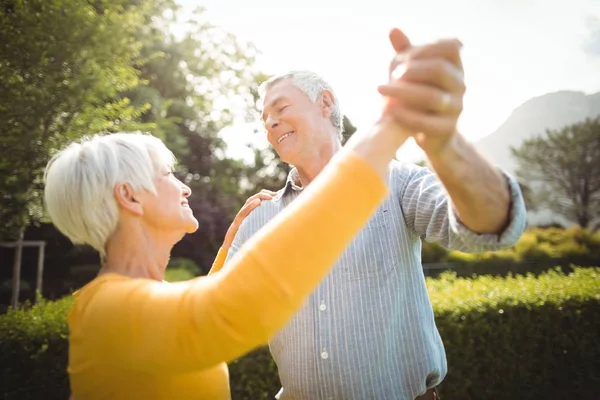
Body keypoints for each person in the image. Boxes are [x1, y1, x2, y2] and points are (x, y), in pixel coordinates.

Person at [44, 50, 416, 399]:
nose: (184, 187)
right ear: (130, 196)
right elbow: (227, 311)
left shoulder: (136, 297)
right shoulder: (109, 308)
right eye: (168, 175)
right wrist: (381, 138)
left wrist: (230, 243)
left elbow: (197, 307)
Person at [224, 29, 528, 399]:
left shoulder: (397, 182)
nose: (270, 122)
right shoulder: (259, 217)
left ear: (325, 103)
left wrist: (443, 143)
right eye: (265, 117)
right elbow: (217, 317)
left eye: (281, 108)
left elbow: (490, 227)